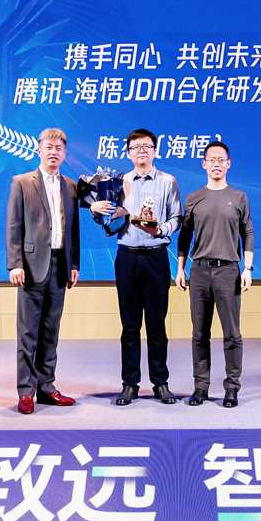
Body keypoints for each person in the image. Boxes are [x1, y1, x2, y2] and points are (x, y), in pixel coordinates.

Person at [90, 129, 182, 406]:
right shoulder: (118, 183)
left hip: (156, 257)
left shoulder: (168, 181)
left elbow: (177, 216)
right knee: (129, 326)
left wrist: (161, 229)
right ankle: (129, 384)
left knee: (157, 325)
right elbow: (107, 220)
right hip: (127, 257)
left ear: (155, 150)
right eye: (136, 147)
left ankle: (160, 383)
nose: (142, 151)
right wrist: (96, 210)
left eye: (147, 146)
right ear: (128, 152)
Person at [6, 128, 80, 415]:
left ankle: (47, 387)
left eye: (59, 148)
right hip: (31, 266)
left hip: (60, 266)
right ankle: (26, 391)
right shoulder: (22, 182)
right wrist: (15, 263)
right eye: (48, 147)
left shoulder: (71, 186)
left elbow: (73, 229)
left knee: (51, 332)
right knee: (28, 333)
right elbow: (14, 225)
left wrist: (74, 264)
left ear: (65, 153)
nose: (53, 152)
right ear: (38, 150)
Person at [176, 140, 253, 408]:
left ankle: (232, 388)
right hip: (199, 271)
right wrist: (180, 269)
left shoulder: (239, 197)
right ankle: (200, 387)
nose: (217, 164)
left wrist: (248, 269)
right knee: (199, 334)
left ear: (228, 164)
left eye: (221, 160)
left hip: (228, 271)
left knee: (232, 333)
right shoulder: (193, 198)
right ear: (204, 164)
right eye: (212, 160)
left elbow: (247, 232)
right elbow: (185, 236)